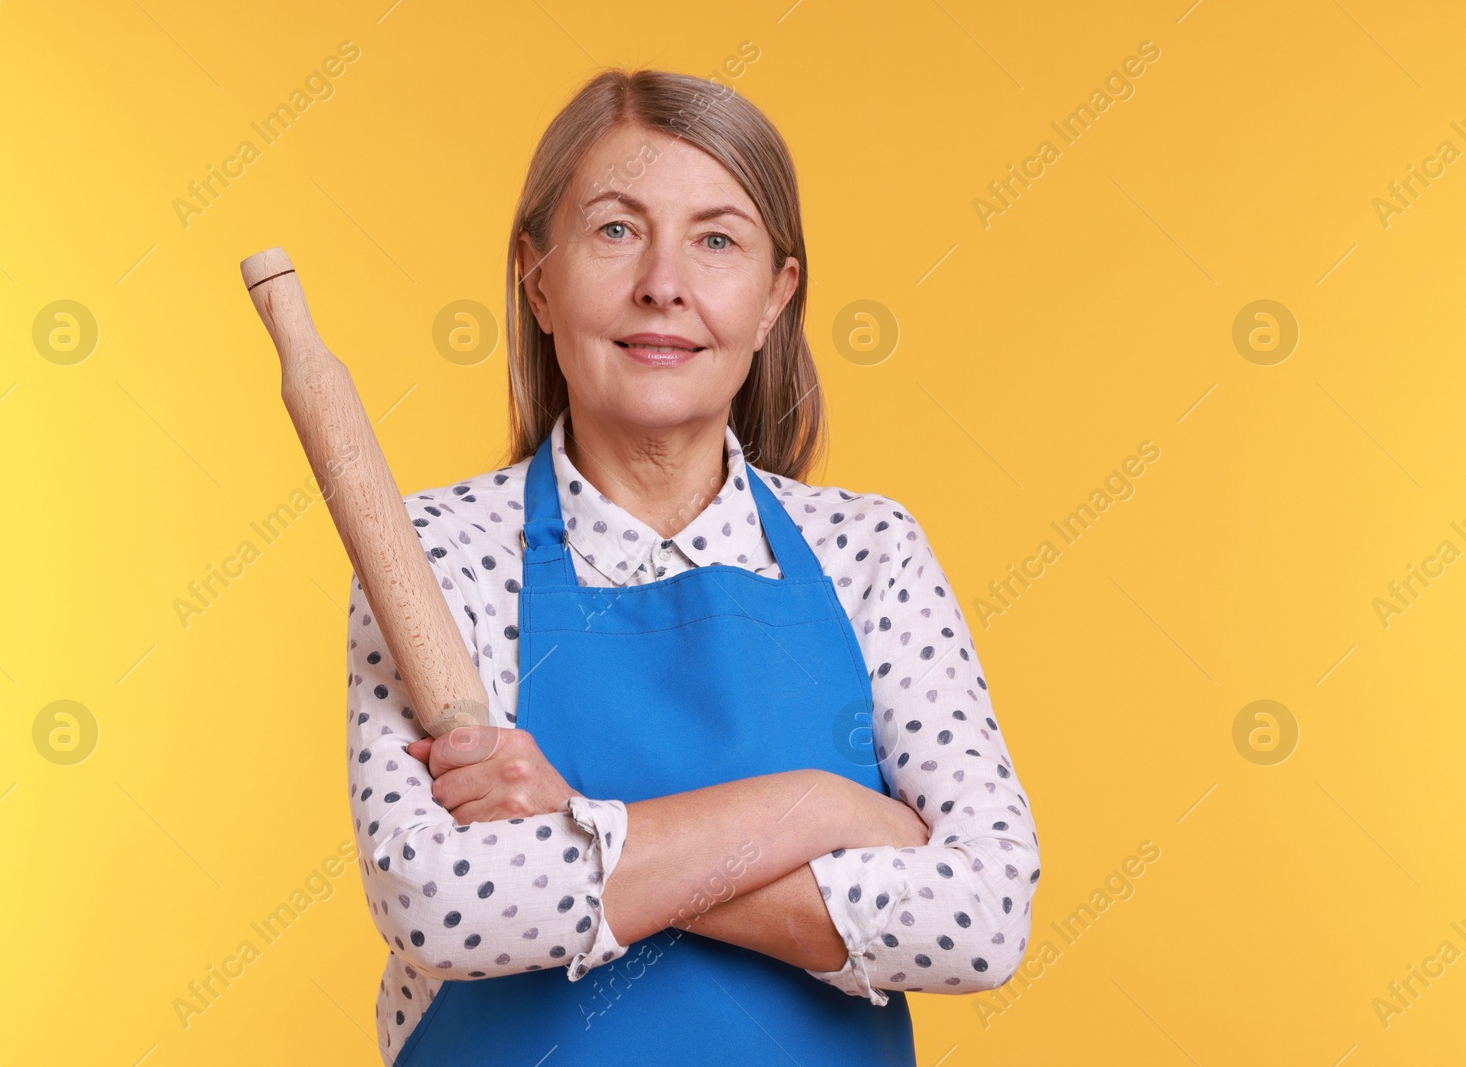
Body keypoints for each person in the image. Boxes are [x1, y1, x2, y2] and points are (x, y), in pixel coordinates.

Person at [345, 67, 1041, 1067]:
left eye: (716, 239)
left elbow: (980, 916)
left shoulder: (869, 551)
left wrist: (578, 823)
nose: (662, 283)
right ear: (538, 280)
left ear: (772, 298)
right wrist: (823, 808)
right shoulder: (432, 555)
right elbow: (447, 904)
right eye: (617, 230)